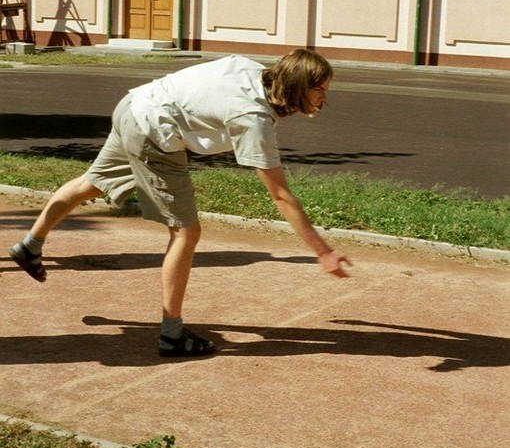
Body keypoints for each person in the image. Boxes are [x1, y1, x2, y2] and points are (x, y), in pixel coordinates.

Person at [9, 48, 352, 357]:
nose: (324, 97)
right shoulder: (252, 119)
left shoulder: (248, 67)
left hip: (134, 106)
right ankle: (172, 335)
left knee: (91, 183)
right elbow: (280, 195)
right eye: (319, 89)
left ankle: (30, 244)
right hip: (155, 132)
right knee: (186, 231)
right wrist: (323, 252)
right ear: (295, 87)